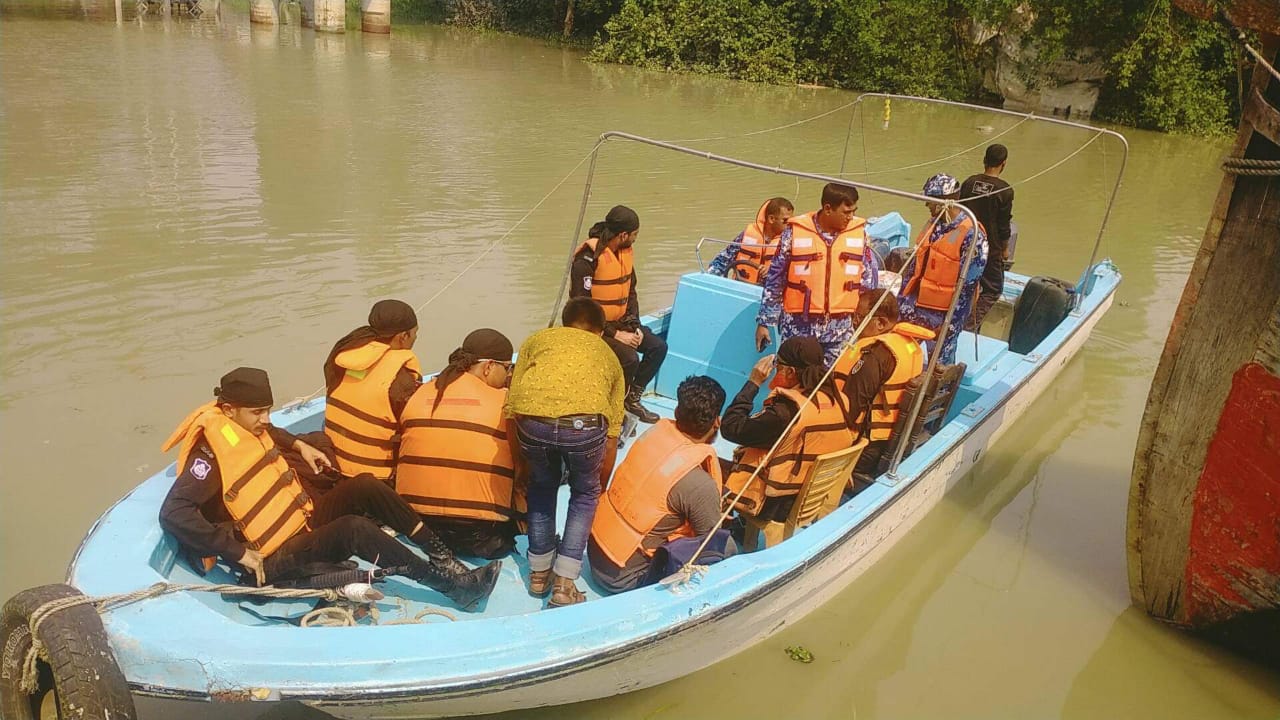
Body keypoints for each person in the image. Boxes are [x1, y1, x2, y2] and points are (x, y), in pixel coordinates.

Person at [158, 367, 500, 611]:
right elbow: (174, 513)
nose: (265, 419)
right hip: (275, 557)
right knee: (355, 529)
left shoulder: (245, 427)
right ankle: (454, 588)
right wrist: (238, 553)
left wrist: (299, 445)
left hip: (302, 520)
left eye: (267, 411)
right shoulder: (210, 459)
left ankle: (443, 557)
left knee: (365, 485)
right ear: (228, 409)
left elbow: (271, 433)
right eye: (257, 412)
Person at [506, 297, 626, 607]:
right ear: (600, 331)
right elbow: (613, 430)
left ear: (564, 323)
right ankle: (564, 585)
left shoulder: (536, 340)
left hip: (534, 425)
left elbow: (512, 407)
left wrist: (521, 464)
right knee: (583, 495)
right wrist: (600, 484)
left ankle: (538, 574)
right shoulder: (608, 354)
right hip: (584, 428)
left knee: (541, 488)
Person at [588, 375, 731, 593]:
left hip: (594, 549)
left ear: (676, 413)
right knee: (727, 546)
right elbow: (710, 540)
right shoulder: (699, 485)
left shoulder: (654, 434)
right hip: (623, 578)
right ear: (716, 422)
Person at [396, 329, 524, 559]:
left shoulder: (421, 392)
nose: (508, 376)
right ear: (488, 367)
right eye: (507, 368)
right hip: (480, 536)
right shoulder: (505, 403)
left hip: (416, 527)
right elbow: (523, 467)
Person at [722, 336, 855, 524]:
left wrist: (754, 382)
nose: (776, 369)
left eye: (779, 365)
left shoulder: (785, 413)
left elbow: (730, 428)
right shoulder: (840, 401)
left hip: (774, 504)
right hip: (812, 498)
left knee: (704, 465)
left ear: (790, 372)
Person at [756, 183, 880, 367]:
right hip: (799, 327)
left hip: (841, 329)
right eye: (846, 212)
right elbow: (776, 278)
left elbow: (867, 281)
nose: (851, 217)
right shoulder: (794, 233)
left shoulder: (859, 233)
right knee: (791, 380)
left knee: (833, 382)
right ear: (828, 209)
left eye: (853, 211)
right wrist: (765, 321)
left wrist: (865, 324)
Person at [569, 205, 666, 424]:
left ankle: (631, 399)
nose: (634, 240)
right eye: (634, 235)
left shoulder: (624, 256)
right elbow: (581, 305)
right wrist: (614, 334)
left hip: (619, 322)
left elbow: (630, 293)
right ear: (623, 235)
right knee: (629, 358)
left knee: (657, 347)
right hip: (591, 328)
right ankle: (612, 406)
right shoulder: (587, 260)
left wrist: (635, 325)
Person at [831, 289, 934, 476]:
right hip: (892, 441)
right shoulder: (910, 346)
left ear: (881, 323)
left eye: (859, 317)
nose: (854, 322)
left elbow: (851, 408)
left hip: (866, 448)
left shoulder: (875, 355)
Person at [323, 299, 422, 482]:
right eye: (415, 333)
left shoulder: (343, 357)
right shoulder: (402, 381)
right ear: (403, 336)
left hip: (335, 463)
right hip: (378, 478)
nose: (416, 338)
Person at [898, 173, 988, 366]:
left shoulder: (972, 235)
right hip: (915, 305)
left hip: (942, 313)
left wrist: (949, 323)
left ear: (945, 202)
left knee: (939, 363)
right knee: (901, 354)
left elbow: (967, 288)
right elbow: (914, 268)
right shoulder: (934, 224)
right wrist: (901, 302)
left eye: (930, 201)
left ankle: (940, 393)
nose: (927, 205)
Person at [960, 144, 1014, 331]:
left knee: (963, 282)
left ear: (984, 160)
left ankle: (958, 316)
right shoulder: (1004, 191)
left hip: (964, 243)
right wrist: (1005, 249)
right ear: (1003, 163)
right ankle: (969, 326)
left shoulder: (969, 183)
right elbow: (1003, 225)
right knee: (992, 290)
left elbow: (960, 212)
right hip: (990, 249)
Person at [707, 197, 795, 284]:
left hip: (767, 293)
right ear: (771, 219)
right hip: (740, 288)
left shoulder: (789, 243)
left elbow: (793, 272)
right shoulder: (746, 236)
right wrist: (710, 279)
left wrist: (773, 270)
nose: (789, 225)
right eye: (785, 220)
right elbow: (723, 260)